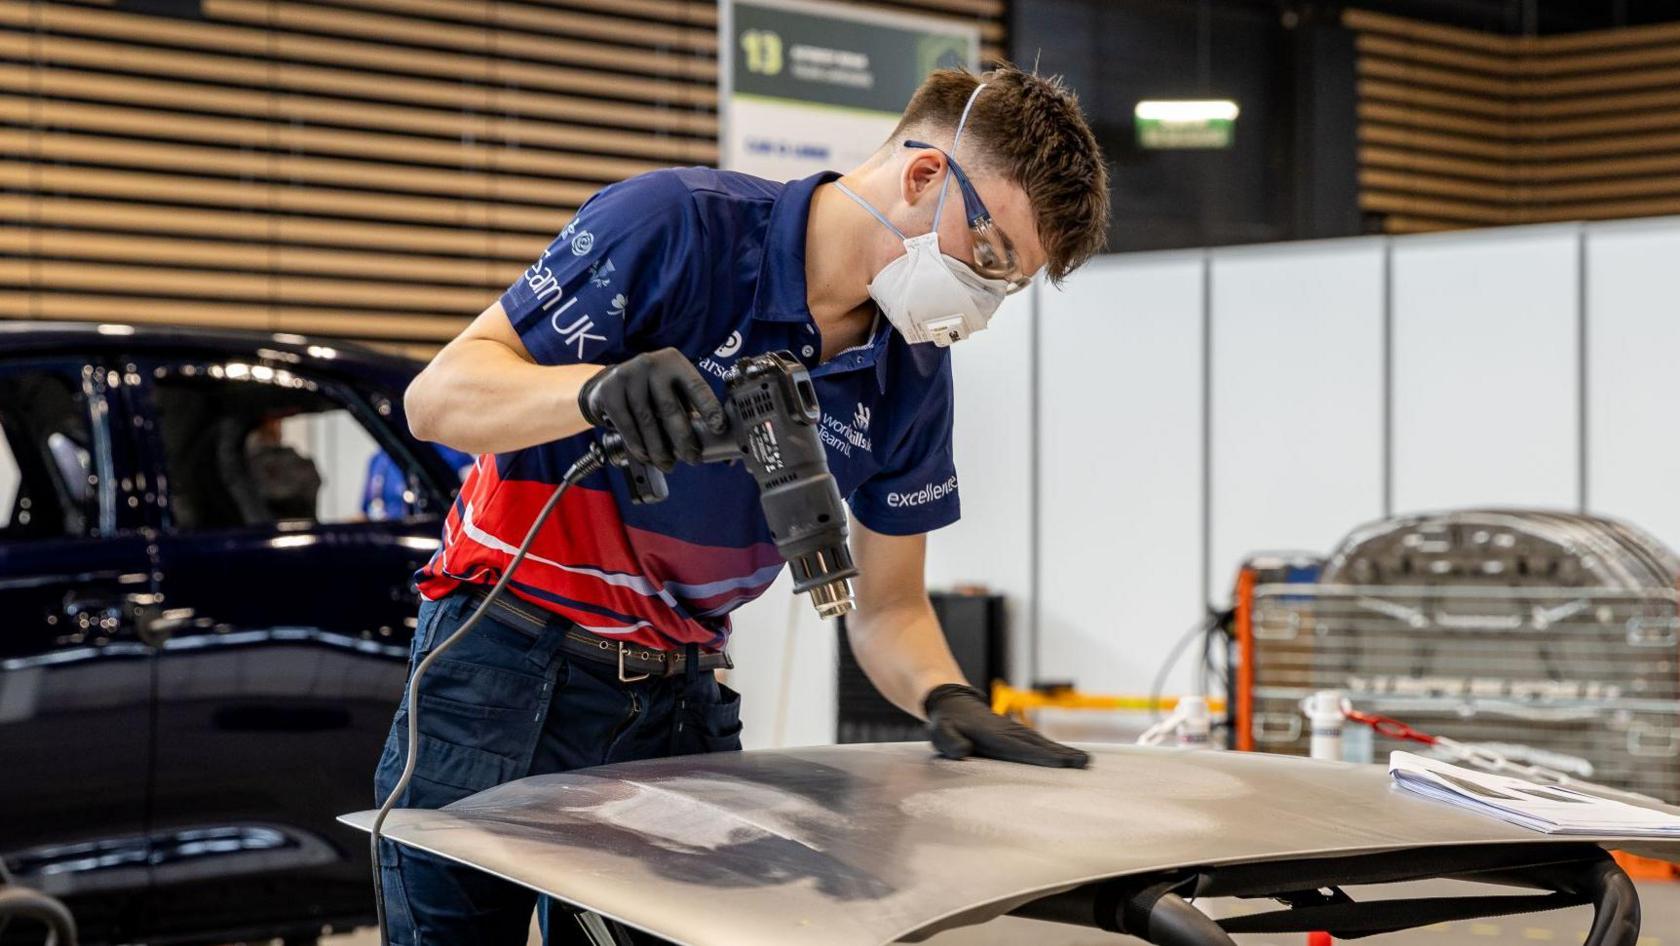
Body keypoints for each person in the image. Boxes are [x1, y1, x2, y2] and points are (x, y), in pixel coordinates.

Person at [378, 63, 1110, 945]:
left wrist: (948, 697)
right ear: (924, 177)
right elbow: (438, 397)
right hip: (498, 668)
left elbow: (887, 608)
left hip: (676, 703)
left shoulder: (910, 371)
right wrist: (595, 391)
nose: (983, 301)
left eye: (1008, 284)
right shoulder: (674, 225)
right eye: (988, 259)